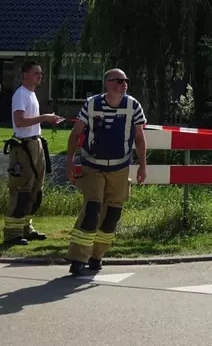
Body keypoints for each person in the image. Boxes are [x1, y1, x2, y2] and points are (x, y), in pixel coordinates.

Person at [64, 68, 147, 275]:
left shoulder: (133, 105)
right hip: (93, 165)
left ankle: (97, 256)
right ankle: (78, 258)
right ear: (107, 83)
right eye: (118, 80)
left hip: (119, 168)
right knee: (92, 208)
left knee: (112, 212)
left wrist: (143, 165)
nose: (123, 84)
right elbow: (75, 134)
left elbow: (139, 137)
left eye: (125, 80)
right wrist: (69, 163)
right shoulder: (92, 104)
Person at [3, 60, 63, 246]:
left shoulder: (32, 94)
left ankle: (26, 228)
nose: (40, 76)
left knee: (36, 188)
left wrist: (46, 120)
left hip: (35, 142)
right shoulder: (20, 94)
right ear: (25, 74)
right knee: (21, 188)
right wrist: (45, 117)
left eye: (41, 73)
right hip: (23, 147)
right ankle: (12, 233)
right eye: (36, 73)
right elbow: (19, 121)